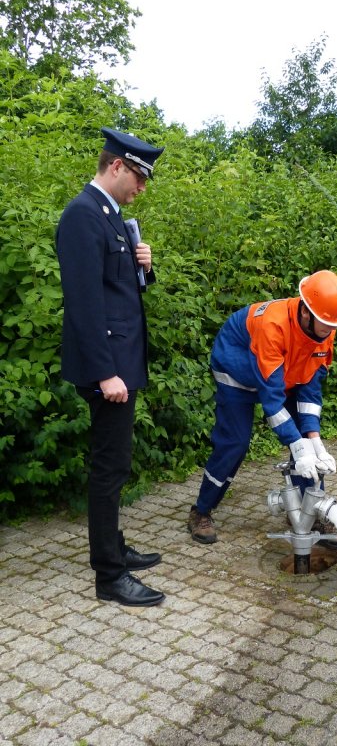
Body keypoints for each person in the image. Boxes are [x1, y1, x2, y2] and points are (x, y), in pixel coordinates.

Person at [56, 127, 166, 607]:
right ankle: (109, 574)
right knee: (109, 466)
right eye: (139, 178)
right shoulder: (83, 216)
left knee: (115, 463)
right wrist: (105, 373)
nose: (142, 188)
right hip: (108, 368)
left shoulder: (113, 217)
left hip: (120, 362)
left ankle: (112, 545)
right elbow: (83, 304)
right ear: (117, 165)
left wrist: (146, 265)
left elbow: (121, 290)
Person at [188, 270, 337, 548]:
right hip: (236, 371)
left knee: (305, 444)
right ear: (306, 313)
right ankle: (201, 511)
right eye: (324, 324)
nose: (329, 331)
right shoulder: (273, 326)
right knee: (234, 444)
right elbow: (272, 400)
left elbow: (310, 387)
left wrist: (313, 440)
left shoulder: (325, 327)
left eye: (332, 326)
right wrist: (297, 447)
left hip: (280, 373)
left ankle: (307, 514)